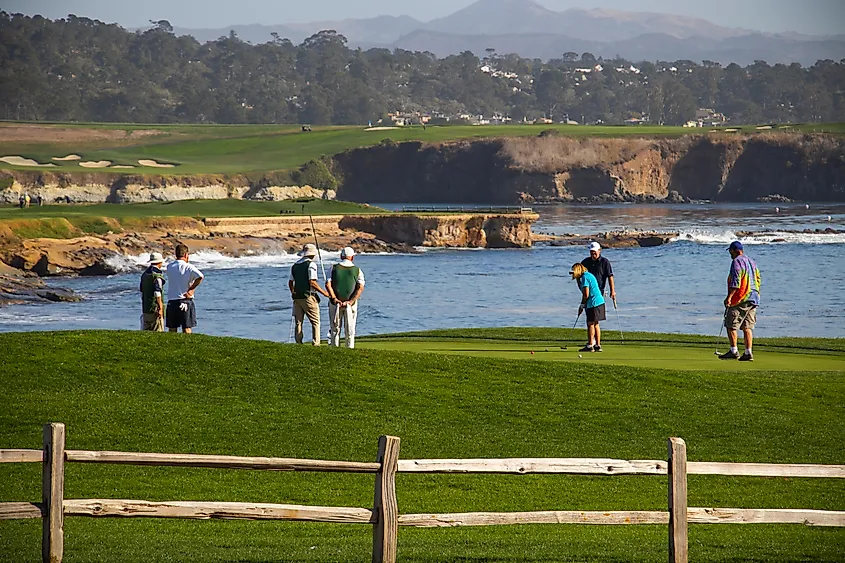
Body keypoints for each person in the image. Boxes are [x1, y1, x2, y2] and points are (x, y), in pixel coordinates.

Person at [720, 241, 761, 361]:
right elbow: (758, 278)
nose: (730, 254)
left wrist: (729, 297)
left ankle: (734, 350)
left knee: (731, 324)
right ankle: (748, 352)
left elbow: (736, 282)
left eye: (731, 251)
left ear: (735, 250)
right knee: (747, 326)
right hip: (753, 297)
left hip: (741, 297)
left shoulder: (737, 261)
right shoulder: (752, 262)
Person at [289, 243, 330, 345]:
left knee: (298, 322)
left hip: (297, 297)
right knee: (315, 322)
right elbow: (312, 282)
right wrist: (324, 293)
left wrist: (293, 292)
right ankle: (316, 343)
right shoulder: (311, 265)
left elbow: (290, 282)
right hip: (309, 296)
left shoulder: (295, 266)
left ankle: (298, 342)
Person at [326, 247, 365, 349]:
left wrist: (334, 298)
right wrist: (351, 301)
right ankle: (349, 348)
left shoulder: (333, 268)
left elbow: (328, 284)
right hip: (350, 304)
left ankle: (335, 348)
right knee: (350, 328)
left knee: (335, 328)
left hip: (334, 303)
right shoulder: (358, 270)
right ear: (352, 257)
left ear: (341, 256)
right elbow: (360, 287)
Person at [581, 241, 615, 346]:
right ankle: (595, 343)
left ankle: (593, 343)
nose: (593, 254)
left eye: (594, 252)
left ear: (599, 251)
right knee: (592, 321)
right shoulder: (585, 262)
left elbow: (610, 276)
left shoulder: (605, 262)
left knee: (593, 321)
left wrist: (612, 290)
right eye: (591, 252)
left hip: (598, 293)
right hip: (588, 293)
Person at [165, 244, 204, 333]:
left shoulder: (169, 266)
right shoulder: (188, 267)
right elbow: (200, 276)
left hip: (172, 300)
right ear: (186, 255)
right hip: (185, 300)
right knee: (186, 327)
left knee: (172, 328)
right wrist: (191, 289)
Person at [570, 263, 606, 352]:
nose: (573, 274)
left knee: (590, 324)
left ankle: (590, 345)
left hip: (593, 303)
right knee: (596, 324)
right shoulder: (588, 275)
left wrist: (582, 305)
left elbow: (586, 294)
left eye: (573, 272)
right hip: (600, 302)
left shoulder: (585, 277)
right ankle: (597, 345)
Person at [139, 252, 166, 332]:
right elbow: (157, 292)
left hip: (146, 307)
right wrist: (160, 308)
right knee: (158, 330)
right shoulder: (157, 275)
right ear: (160, 262)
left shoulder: (144, 274)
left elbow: (141, 290)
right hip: (155, 308)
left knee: (146, 330)